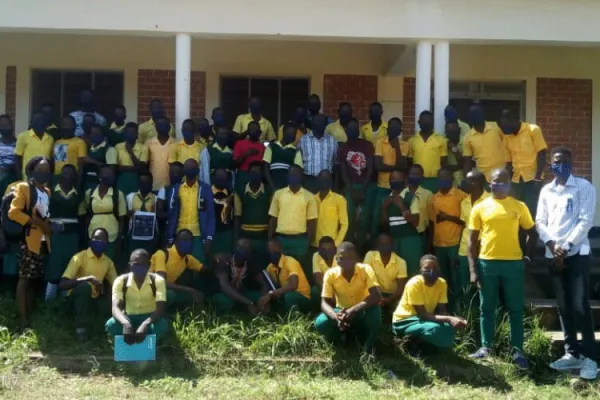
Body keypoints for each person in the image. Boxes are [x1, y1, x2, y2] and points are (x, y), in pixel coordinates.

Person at [536, 147, 597, 380]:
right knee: (563, 306)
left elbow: (585, 221)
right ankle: (571, 353)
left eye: (564, 161)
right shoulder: (546, 191)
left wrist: (566, 246)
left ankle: (590, 358)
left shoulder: (584, 187)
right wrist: (552, 245)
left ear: (572, 163)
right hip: (554, 255)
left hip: (577, 254)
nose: (559, 165)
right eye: (555, 161)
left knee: (580, 305)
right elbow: (540, 221)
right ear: (550, 164)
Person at [468, 167, 537, 369]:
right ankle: (486, 348)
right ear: (490, 182)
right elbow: (471, 241)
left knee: (515, 309)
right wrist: (473, 270)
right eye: (496, 181)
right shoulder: (480, 207)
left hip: (513, 265)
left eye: (504, 181)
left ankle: (517, 351)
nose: (500, 185)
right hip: (487, 263)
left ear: (510, 184)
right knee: (486, 307)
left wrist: (527, 257)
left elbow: (532, 233)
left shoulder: (519, 206)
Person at [8, 156, 53, 330]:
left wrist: (48, 225)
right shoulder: (24, 187)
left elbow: (44, 215)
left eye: (47, 170)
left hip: (42, 241)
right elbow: (14, 213)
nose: (44, 173)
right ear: (31, 170)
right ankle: (23, 320)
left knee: (33, 279)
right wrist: (38, 223)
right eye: (40, 170)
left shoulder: (47, 192)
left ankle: (30, 315)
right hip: (27, 239)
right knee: (24, 278)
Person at [314, 242, 382, 353]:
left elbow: (376, 296)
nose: (346, 261)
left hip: (361, 312)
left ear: (357, 259)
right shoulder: (330, 274)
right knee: (320, 322)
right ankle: (339, 340)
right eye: (342, 258)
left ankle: (369, 345)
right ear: (336, 259)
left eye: (350, 257)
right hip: (342, 313)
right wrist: (335, 316)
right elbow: (324, 303)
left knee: (375, 310)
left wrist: (353, 310)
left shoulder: (365, 269)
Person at [392, 255, 467, 350]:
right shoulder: (415, 283)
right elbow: (422, 314)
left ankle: (425, 345)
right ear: (421, 270)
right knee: (434, 329)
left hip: (424, 319)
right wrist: (449, 318)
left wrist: (456, 320)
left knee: (449, 327)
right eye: (427, 268)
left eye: (435, 268)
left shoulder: (442, 283)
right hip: (405, 321)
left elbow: (442, 311)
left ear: (439, 269)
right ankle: (409, 343)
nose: (432, 271)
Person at [59, 227, 117, 341]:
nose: (99, 241)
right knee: (85, 287)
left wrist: (104, 290)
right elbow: (63, 284)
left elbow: (116, 285)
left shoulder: (108, 262)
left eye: (102, 239)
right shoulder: (79, 257)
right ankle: (80, 329)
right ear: (91, 240)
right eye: (96, 238)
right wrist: (87, 279)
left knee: (114, 297)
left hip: (94, 301)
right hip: (74, 302)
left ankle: (107, 330)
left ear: (106, 243)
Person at [105, 249, 169, 341]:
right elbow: (115, 307)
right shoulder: (120, 281)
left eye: (143, 265)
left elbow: (160, 309)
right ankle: (128, 342)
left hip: (150, 317)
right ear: (130, 266)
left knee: (162, 325)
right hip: (129, 317)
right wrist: (125, 323)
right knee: (111, 325)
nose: (139, 268)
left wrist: (145, 324)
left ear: (149, 265)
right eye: (136, 264)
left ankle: (150, 344)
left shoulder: (158, 280)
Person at [427, 167, 468, 309]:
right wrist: (430, 245)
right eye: (440, 178)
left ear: (451, 180)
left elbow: (466, 222)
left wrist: (448, 217)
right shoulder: (433, 199)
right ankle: (447, 310)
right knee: (443, 281)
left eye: (446, 177)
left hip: (455, 244)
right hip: (439, 246)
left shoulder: (461, 196)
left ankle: (460, 310)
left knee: (457, 280)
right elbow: (432, 224)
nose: (443, 180)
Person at [268, 165, 318, 276]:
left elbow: (311, 223)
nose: (293, 177)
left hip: (300, 241)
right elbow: (273, 218)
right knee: (280, 272)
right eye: (291, 174)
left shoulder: (310, 197)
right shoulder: (278, 194)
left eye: (296, 175)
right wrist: (270, 239)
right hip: (281, 240)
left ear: (301, 177)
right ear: (287, 176)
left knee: (299, 273)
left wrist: (307, 243)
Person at [165, 158, 215, 262]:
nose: (190, 170)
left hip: (198, 235)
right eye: (188, 167)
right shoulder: (176, 189)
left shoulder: (205, 189)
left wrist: (209, 238)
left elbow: (211, 215)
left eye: (193, 167)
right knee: (178, 267)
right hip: (179, 234)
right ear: (184, 170)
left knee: (198, 267)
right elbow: (171, 214)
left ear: (198, 170)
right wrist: (170, 237)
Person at [500, 110, 548, 216]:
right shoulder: (507, 137)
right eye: (503, 125)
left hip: (532, 180)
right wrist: (504, 182)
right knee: (517, 214)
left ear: (516, 120)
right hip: (516, 181)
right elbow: (508, 164)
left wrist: (538, 178)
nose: (505, 128)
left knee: (531, 213)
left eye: (507, 124)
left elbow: (542, 155)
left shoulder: (533, 130)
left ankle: (533, 233)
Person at [45, 164, 83, 294]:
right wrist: (49, 226)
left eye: (71, 173)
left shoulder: (78, 195)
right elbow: (44, 214)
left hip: (72, 236)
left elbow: (81, 217)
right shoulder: (50, 192)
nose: (68, 175)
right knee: (54, 265)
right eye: (65, 172)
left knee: (69, 266)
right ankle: (48, 302)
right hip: (55, 235)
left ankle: (65, 300)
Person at [338, 118, 374, 248]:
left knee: (364, 220)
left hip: (366, 186)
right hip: (350, 187)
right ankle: (349, 247)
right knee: (349, 219)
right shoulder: (343, 148)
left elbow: (370, 169)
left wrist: (362, 190)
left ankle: (361, 247)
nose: (352, 130)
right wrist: (352, 191)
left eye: (355, 128)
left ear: (358, 130)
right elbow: (343, 172)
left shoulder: (366, 145)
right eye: (350, 128)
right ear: (346, 130)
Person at [150, 229, 205, 311]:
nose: (188, 243)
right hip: (151, 289)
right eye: (184, 240)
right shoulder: (162, 254)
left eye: (190, 241)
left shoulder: (187, 259)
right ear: (176, 241)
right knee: (170, 295)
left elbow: (203, 268)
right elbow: (161, 282)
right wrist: (189, 290)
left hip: (170, 289)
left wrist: (219, 262)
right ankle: (159, 315)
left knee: (198, 295)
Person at [457, 170, 489, 307]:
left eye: (467, 180)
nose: (463, 183)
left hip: (485, 250)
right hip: (465, 249)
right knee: (466, 287)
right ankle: (468, 318)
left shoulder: (491, 200)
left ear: (475, 183)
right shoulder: (464, 202)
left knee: (485, 287)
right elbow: (464, 226)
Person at [82, 164, 127, 262]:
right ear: (99, 177)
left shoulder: (118, 194)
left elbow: (122, 218)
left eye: (111, 175)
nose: (109, 177)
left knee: (110, 262)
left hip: (112, 235)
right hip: (93, 234)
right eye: (106, 174)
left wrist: (119, 240)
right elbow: (86, 213)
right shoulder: (89, 193)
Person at [372, 117, 408, 238]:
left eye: (397, 127)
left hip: (398, 187)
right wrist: (396, 168)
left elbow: (402, 166)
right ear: (387, 129)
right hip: (382, 187)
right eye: (391, 126)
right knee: (378, 219)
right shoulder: (380, 142)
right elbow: (378, 166)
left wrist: (397, 147)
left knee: (395, 218)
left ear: (400, 130)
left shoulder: (404, 145)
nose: (394, 129)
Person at [381, 169, 421, 277]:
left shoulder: (410, 197)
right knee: (396, 273)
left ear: (405, 181)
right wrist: (384, 208)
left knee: (412, 272)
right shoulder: (386, 199)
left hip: (410, 240)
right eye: (393, 179)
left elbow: (416, 222)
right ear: (389, 182)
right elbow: (385, 224)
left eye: (399, 180)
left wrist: (402, 206)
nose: (395, 182)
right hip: (393, 240)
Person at [257, 238, 312, 313]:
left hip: (303, 296)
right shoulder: (270, 267)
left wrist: (271, 294)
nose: (272, 253)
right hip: (284, 295)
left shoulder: (290, 261)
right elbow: (265, 282)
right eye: (270, 251)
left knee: (289, 296)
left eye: (275, 250)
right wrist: (264, 298)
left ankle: (295, 319)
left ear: (281, 250)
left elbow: (293, 285)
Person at [209, 240, 264, 315]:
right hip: (223, 293)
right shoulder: (224, 261)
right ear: (235, 248)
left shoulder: (250, 261)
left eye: (248, 248)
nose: (245, 251)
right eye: (242, 248)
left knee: (259, 297)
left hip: (242, 292)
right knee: (226, 301)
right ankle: (224, 317)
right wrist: (248, 302)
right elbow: (225, 286)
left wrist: (264, 297)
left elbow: (262, 281)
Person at [233, 161, 271, 268]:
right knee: (246, 266)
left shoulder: (268, 191)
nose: (255, 174)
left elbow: (272, 216)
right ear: (249, 173)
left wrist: (270, 237)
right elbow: (237, 216)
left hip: (263, 236)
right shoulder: (240, 191)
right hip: (246, 235)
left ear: (262, 174)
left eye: (258, 172)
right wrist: (236, 239)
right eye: (253, 172)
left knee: (262, 265)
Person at [364, 233, 407, 309]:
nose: (384, 246)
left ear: (392, 245)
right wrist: (377, 297)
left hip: (393, 295)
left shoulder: (401, 262)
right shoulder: (370, 255)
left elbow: (400, 288)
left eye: (387, 243)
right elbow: (365, 277)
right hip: (374, 292)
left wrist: (388, 300)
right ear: (377, 246)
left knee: (398, 310)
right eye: (381, 243)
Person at [407, 111, 447, 193]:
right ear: (419, 122)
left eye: (429, 121)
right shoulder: (412, 140)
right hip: (417, 180)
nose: (426, 123)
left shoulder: (441, 139)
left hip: (434, 180)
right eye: (424, 121)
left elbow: (444, 162)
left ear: (432, 123)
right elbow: (409, 162)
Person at [462, 105, 505, 183]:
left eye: (478, 113)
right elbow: (467, 162)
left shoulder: (495, 126)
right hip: (483, 179)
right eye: (473, 114)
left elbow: (507, 144)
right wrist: (466, 179)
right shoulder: (467, 137)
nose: (476, 116)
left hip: (501, 175)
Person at [297, 114, 338, 193]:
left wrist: (335, 186)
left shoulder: (332, 141)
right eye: (317, 121)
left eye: (322, 122)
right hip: (308, 181)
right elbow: (298, 164)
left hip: (327, 181)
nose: (320, 123)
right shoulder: (303, 140)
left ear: (326, 124)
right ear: (312, 123)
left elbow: (336, 164)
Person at [125, 172, 158, 255]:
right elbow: (124, 214)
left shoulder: (156, 199)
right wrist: (128, 213)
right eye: (142, 182)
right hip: (134, 234)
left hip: (150, 234)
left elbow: (159, 218)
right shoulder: (130, 197)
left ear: (151, 183)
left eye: (147, 182)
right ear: (138, 183)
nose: (145, 185)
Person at [264, 122, 304, 191]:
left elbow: (297, 172)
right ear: (283, 132)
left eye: (294, 134)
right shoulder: (271, 147)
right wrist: (272, 187)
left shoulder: (295, 151)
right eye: (290, 133)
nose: (292, 135)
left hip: (287, 189)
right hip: (271, 186)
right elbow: (266, 168)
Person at [14, 112, 54, 180]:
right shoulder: (23, 136)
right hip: (28, 176)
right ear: (32, 122)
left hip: (44, 176)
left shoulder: (50, 139)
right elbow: (17, 157)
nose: (40, 122)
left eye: (42, 120)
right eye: (37, 120)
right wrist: (19, 175)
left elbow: (51, 158)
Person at [314, 170, 348, 248]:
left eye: (326, 180)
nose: (324, 182)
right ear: (318, 181)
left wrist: (336, 244)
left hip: (331, 246)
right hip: (315, 244)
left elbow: (344, 224)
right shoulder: (312, 199)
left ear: (330, 182)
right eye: (321, 179)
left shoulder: (339, 199)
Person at [402, 164, 433, 243]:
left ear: (422, 177)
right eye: (412, 174)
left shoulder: (428, 194)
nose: (413, 176)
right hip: (405, 235)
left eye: (416, 175)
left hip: (421, 235)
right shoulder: (402, 193)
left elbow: (431, 219)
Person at [115, 122, 149, 196]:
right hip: (121, 179)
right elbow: (117, 168)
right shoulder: (118, 147)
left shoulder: (143, 148)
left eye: (132, 132)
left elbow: (141, 168)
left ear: (137, 134)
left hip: (136, 180)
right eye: (128, 132)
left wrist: (130, 152)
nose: (129, 134)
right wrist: (134, 168)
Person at [82, 124, 117, 192]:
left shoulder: (109, 149)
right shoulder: (89, 148)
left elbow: (111, 170)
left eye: (96, 133)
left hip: (100, 185)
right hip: (87, 182)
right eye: (92, 133)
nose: (93, 135)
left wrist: (94, 161)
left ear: (103, 135)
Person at [53, 115, 87, 186]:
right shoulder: (56, 142)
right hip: (56, 177)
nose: (67, 127)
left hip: (71, 178)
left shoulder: (80, 142)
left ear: (74, 126)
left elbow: (81, 165)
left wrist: (79, 183)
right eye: (64, 124)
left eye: (70, 125)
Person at [233, 121, 265, 193]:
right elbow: (235, 163)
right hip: (243, 176)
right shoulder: (239, 143)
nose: (253, 131)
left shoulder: (262, 147)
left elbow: (263, 166)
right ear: (247, 131)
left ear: (259, 132)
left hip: (257, 178)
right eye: (251, 129)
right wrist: (246, 154)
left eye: (256, 130)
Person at [147, 116, 176, 191]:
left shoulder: (176, 144)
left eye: (165, 125)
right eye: (160, 125)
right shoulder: (148, 144)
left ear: (169, 127)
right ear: (156, 127)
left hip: (169, 186)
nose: (162, 127)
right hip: (153, 186)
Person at [211, 168, 235, 255]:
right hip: (212, 233)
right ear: (213, 178)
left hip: (227, 233)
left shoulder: (231, 194)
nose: (222, 179)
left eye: (224, 177)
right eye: (219, 177)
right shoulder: (207, 193)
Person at [0, 114, 18, 197]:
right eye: (2, 126)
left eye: (6, 125)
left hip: (11, 179)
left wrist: (9, 168)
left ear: (12, 126)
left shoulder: (18, 143)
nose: (4, 128)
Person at [445, 120, 465, 187]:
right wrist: (458, 167)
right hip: (448, 181)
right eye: (449, 132)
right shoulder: (442, 143)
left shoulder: (465, 142)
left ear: (459, 130)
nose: (452, 134)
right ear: (446, 132)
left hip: (462, 180)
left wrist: (454, 148)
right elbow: (443, 166)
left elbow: (464, 163)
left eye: (454, 132)